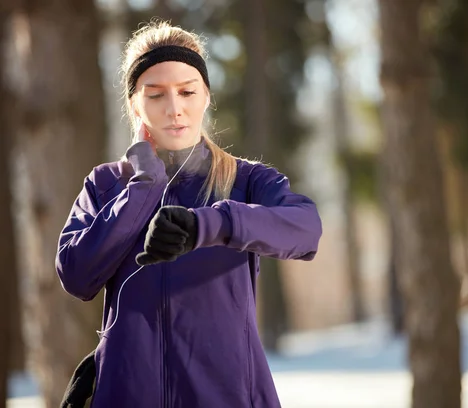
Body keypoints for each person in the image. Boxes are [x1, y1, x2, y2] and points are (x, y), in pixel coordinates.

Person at [56, 20, 322, 408]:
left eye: (186, 91)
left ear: (206, 97)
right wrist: (143, 186)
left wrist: (209, 224)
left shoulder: (246, 179)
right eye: (156, 95)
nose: (175, 108)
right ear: (135, 104)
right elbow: (76, 274)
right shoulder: (105, 184)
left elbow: (306, 229)